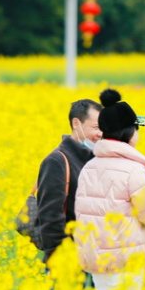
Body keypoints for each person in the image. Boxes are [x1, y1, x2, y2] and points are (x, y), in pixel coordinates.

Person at [74, 88, 145, 290]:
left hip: (97, 257)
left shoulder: (90, 166)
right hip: (125, 260)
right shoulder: (133, 169)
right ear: (129, 132)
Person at [36, 98, 102, 264]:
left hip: (94, 260)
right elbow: (51, 218)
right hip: (68, 263)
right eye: (96, 128)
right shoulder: (57, 161)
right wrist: (59, 261)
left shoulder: (95, 159)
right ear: (76, 123)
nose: (101, 133)